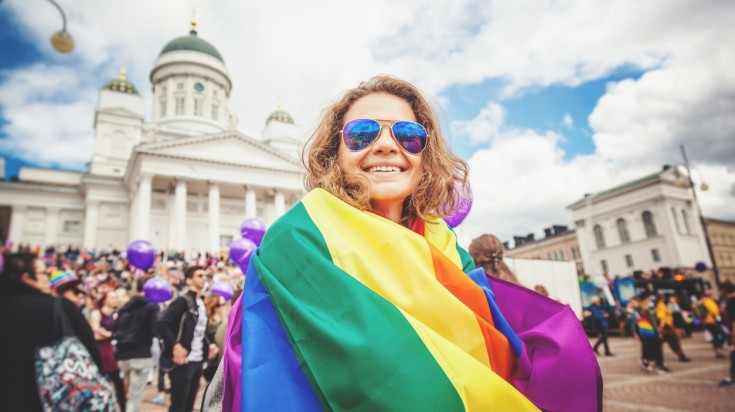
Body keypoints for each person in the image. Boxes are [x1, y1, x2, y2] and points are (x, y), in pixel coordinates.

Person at [216, 75, 601, 411]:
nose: (386, 145)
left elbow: (499, 345)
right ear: (335, 152)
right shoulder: (299, 239)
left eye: (408, 136)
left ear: (424, 155)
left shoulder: (446, 246)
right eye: (362, 134)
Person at [0, 252, 103, 410]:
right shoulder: (59, 307)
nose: (48, 278)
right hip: (51, 399)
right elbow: (92, 353)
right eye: (44, 273)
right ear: (27, 277)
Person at [156, 265, 218, 412]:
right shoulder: (183, 301)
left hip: (197, 360)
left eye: (205, 276)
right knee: (179, 405)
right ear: (189, 280)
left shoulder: (201, 303)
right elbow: (162, 323)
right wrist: (175, 346)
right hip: (182, 361)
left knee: (189, 404)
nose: (204, 279)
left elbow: (199, 332)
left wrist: (210, 345)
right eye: (200, 276)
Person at [114, 276, 160, 412]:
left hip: (123, 356)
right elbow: (155, 330)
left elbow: (115, 328)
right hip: (141, 355)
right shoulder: (151, 307)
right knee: (135, 395)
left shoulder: (125, 306)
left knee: (128, 393)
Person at [89, 290, 126, 410]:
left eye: (116, 297)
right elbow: (95, 330)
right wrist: (110, 334)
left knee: (119, 382)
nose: (114, 300)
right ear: (105, 299)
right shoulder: (96, 313)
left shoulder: (115, 315)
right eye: (112, 297)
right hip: (101, 348)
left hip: (112, 348)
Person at [636, 291, 671, 374]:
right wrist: (658, 330)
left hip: (643, 331)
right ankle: (658, 365)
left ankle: (648, 362)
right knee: (656, 347)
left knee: (648, 347)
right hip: (650, 331)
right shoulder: (646, 309)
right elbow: (653, 321)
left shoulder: (640, 308)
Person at [656, 294, 690, 362]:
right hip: (667, 326)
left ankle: (681, 355)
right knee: (674, 341)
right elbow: (661, 317)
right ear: (662, 298)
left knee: (668, 342)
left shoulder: (660, 305)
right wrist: (661, 327)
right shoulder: (661, 306)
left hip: (667, 326)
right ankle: (681, 356)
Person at [702, 289, 728, 359]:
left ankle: (718, 350)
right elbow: (714, 311)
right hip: (712, 321)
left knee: (717, 336)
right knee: (721, 335)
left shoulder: (705, 300)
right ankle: (718, 350)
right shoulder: (708, 301)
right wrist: (720, 311)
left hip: (709, 321)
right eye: (710, 293)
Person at [719, 281, 735, 386]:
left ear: (724, 290)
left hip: (734, 333)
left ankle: (732, 378)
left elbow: (733, 319)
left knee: (734, 355)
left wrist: (733, 335)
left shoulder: (731, 301)